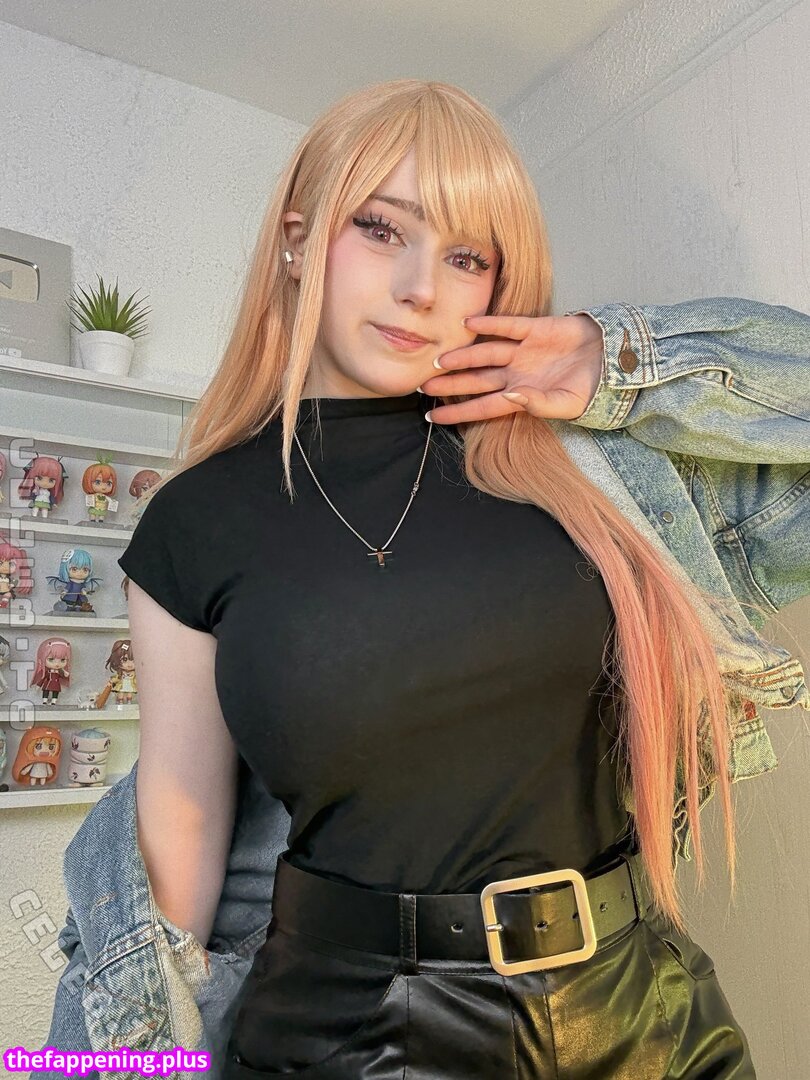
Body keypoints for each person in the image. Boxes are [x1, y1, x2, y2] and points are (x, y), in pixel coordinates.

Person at [106, 80, 810, 1077]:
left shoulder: (588, 470)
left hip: (643, 1007)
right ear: (298, 242)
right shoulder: (195, 521)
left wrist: (619, 364)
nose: (419, 287)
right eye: (381, 228)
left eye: (466, 256)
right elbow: (180, 836)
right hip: (355, 1033)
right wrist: (141, 1056)